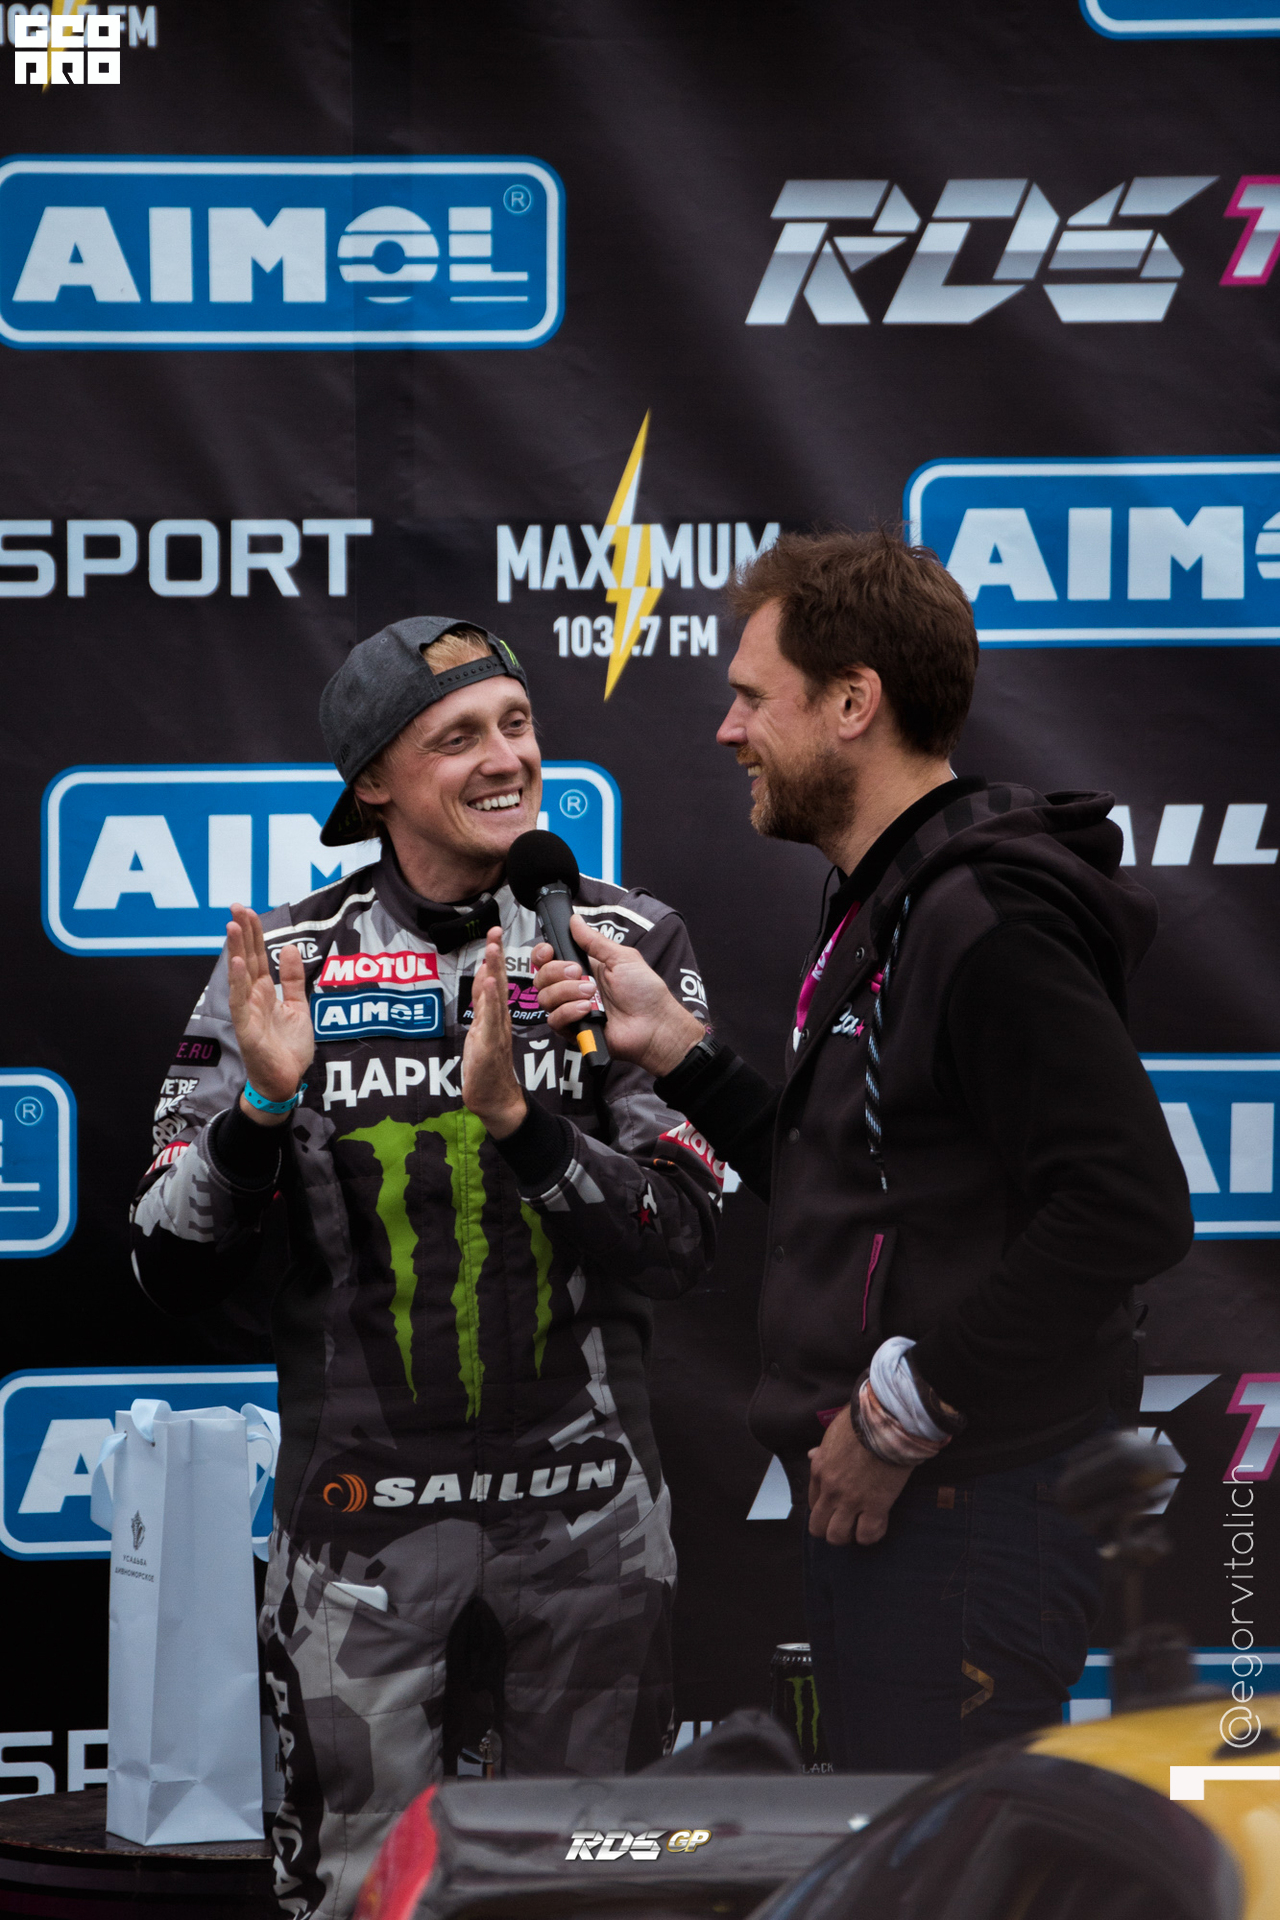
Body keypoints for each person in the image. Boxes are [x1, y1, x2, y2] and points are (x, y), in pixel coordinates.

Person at [534, 531, 1194, 1771]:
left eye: (751, 697)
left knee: (946, 1863)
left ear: (851, 703)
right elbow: (853, 1182)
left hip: (972, 1511)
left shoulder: (982, 913)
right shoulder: (887, 895)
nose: (727, 730)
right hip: (909, 1513)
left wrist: (903, 1409)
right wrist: (677, 1051)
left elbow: (1126, 1208)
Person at [130, 617, 719, 1919]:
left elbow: (688, 1240)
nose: (507, 757)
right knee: (359, 1898)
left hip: (588, 1525)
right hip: (358, 1530)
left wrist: (528, 1128)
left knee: (602, 1897)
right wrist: (259, 1115)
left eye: (517, 723)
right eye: (458, 737)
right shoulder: (287, 965)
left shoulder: (622, 943)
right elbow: (162, 1264)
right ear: (373, 785)